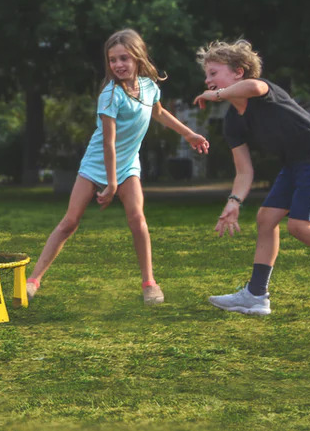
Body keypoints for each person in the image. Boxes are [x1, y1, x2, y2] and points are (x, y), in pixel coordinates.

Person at [26, 28, 209, 305]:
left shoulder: (149, 87)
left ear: (137, 58)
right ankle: (33, 281)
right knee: (70, 222)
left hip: (127, 165)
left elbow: (158, 113)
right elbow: (108, 144)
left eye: (124, 58)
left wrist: (188, 133)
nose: (118, 65)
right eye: (113, 60)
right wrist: (111, 184)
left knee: (137, 219)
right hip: (97, 163)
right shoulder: (110, 95)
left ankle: (149, 283)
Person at [193, 39, 310, 316]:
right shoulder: (232, 122)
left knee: (298, 226)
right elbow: (244, 170)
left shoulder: (262, 90)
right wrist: (234, 202)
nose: (208, 80)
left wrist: (214, 94)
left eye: (213, 73)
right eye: (207, 75)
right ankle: (256, 295)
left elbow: (254, 85)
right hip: (295, 163)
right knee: (266, 219)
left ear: (238, 71)